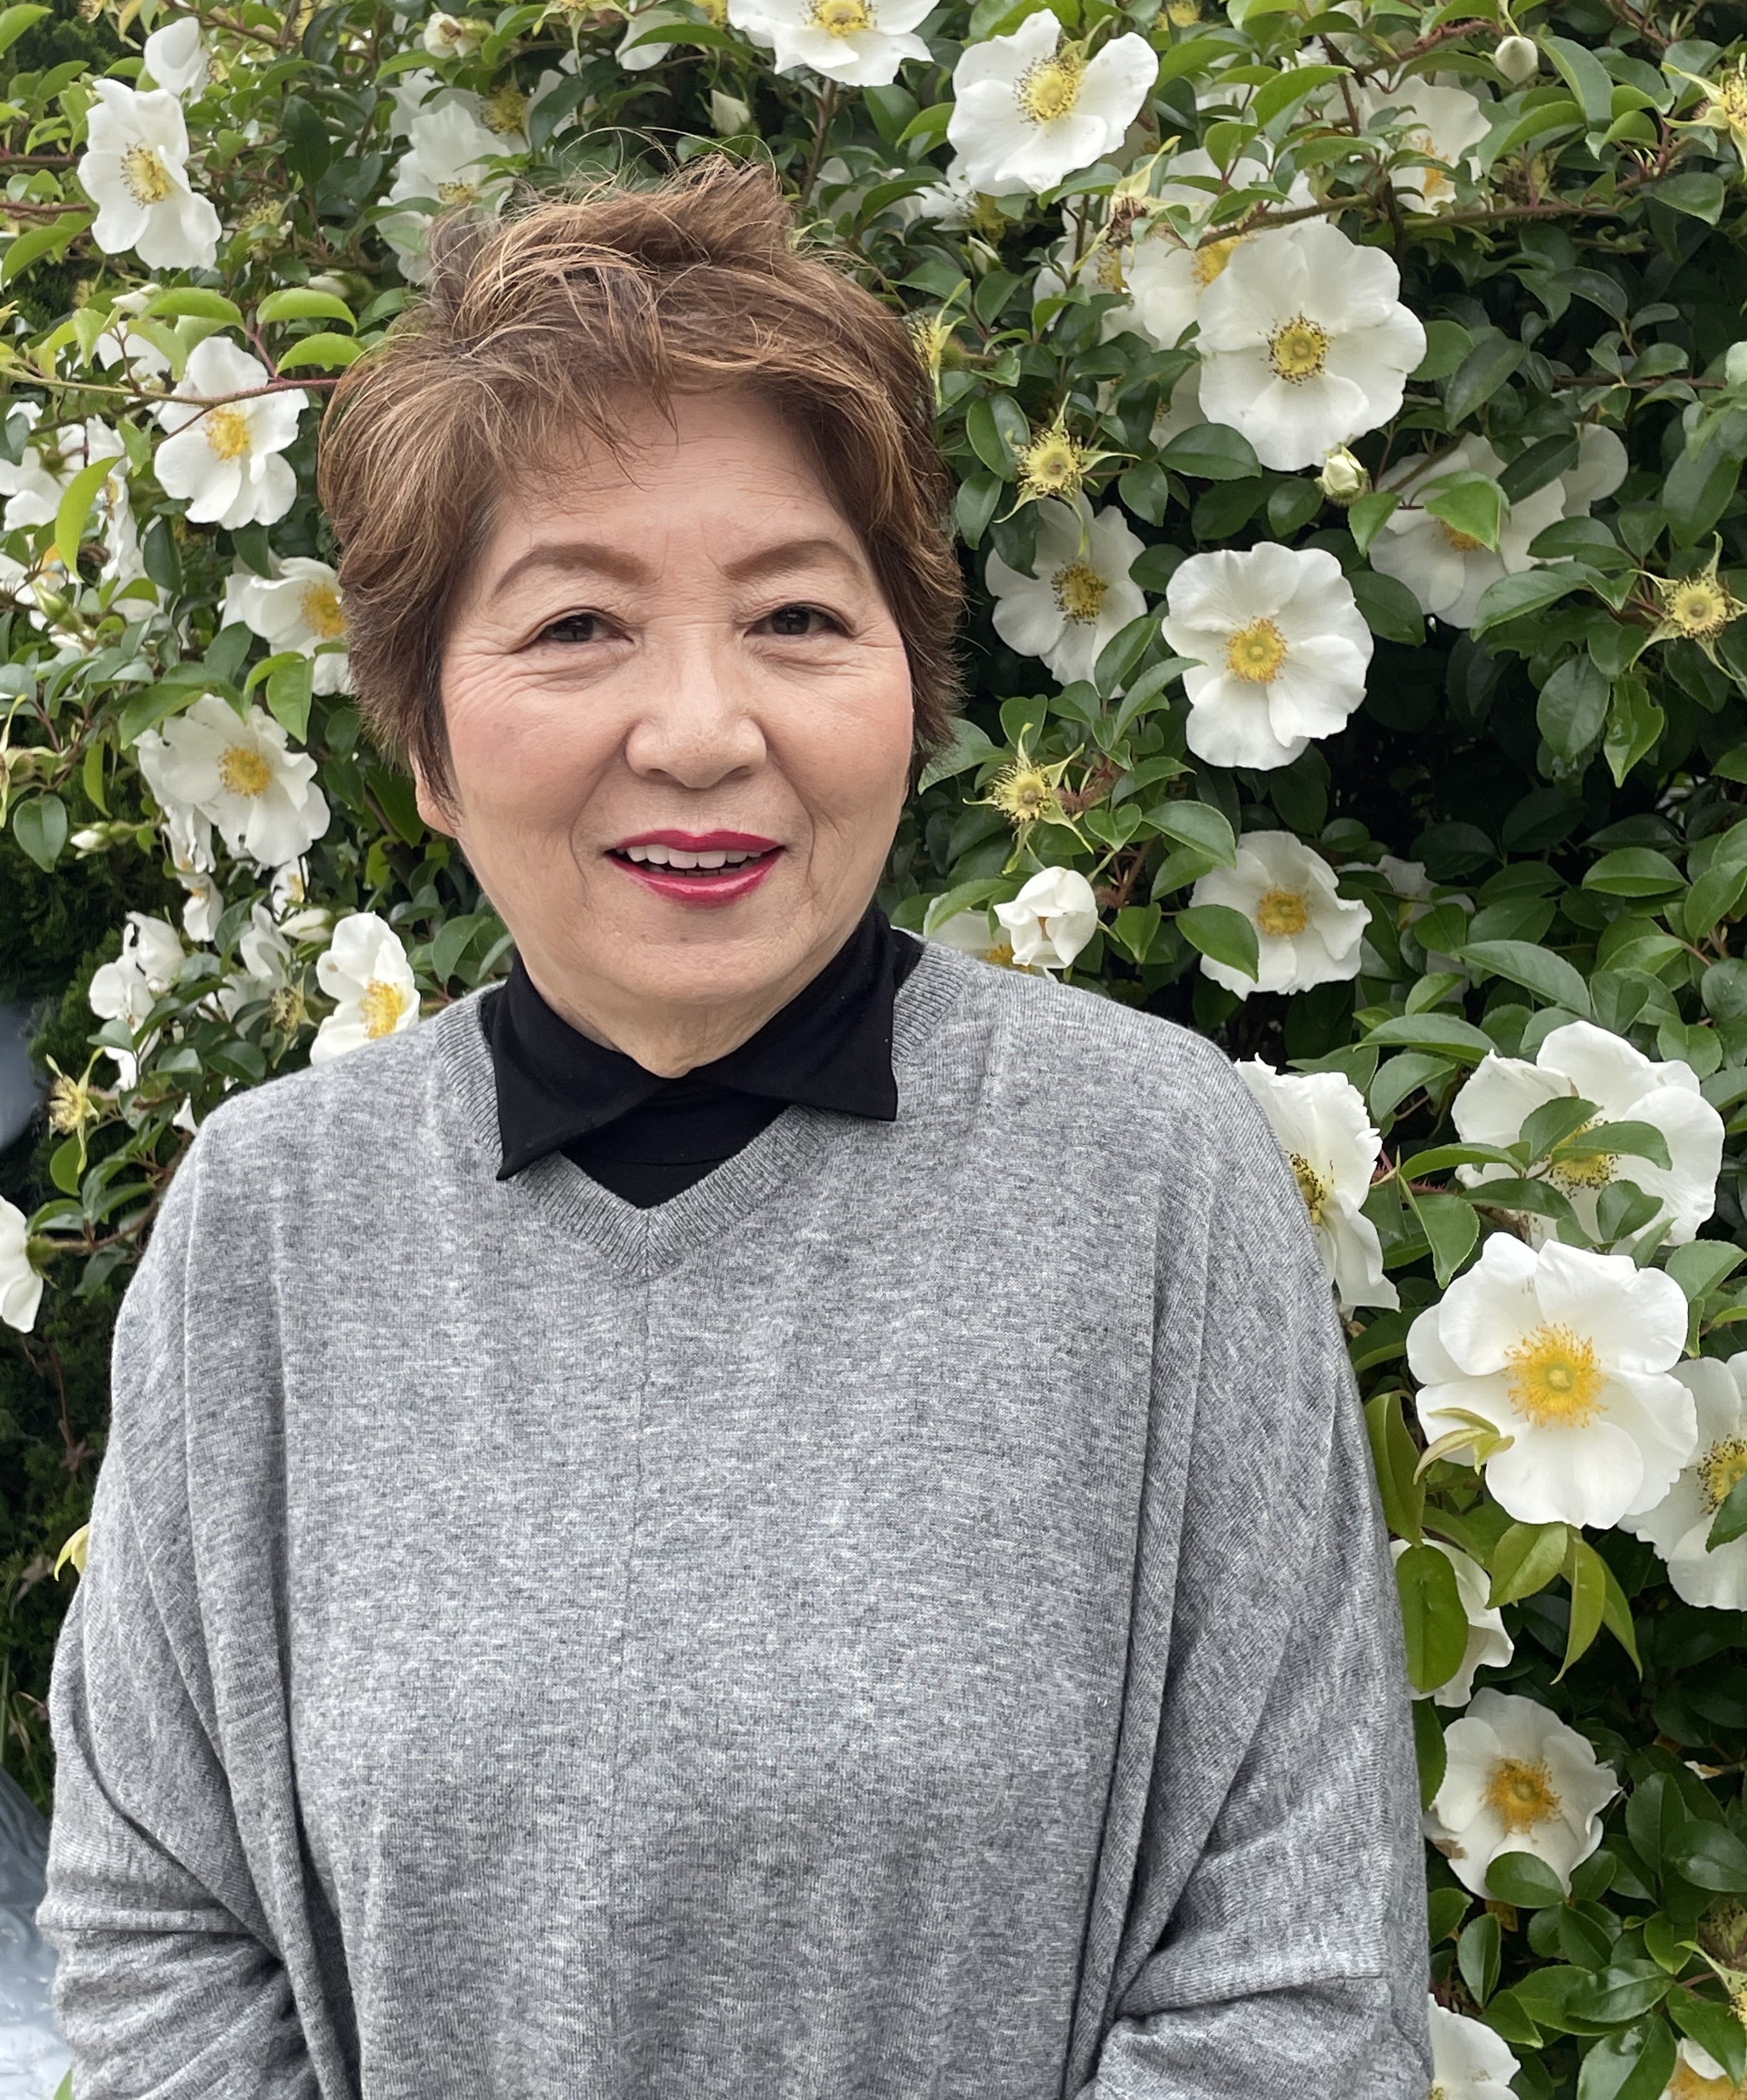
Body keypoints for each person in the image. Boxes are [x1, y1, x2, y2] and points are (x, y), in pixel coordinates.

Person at [38, 159, 1433, 2098]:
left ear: (909, 687)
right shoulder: (270, 1222)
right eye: (576, 627)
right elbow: (154, 1930)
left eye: (793, 615)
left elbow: (1298, 1979)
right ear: (423, 739)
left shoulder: (1152, 1177)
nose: (700, 730)